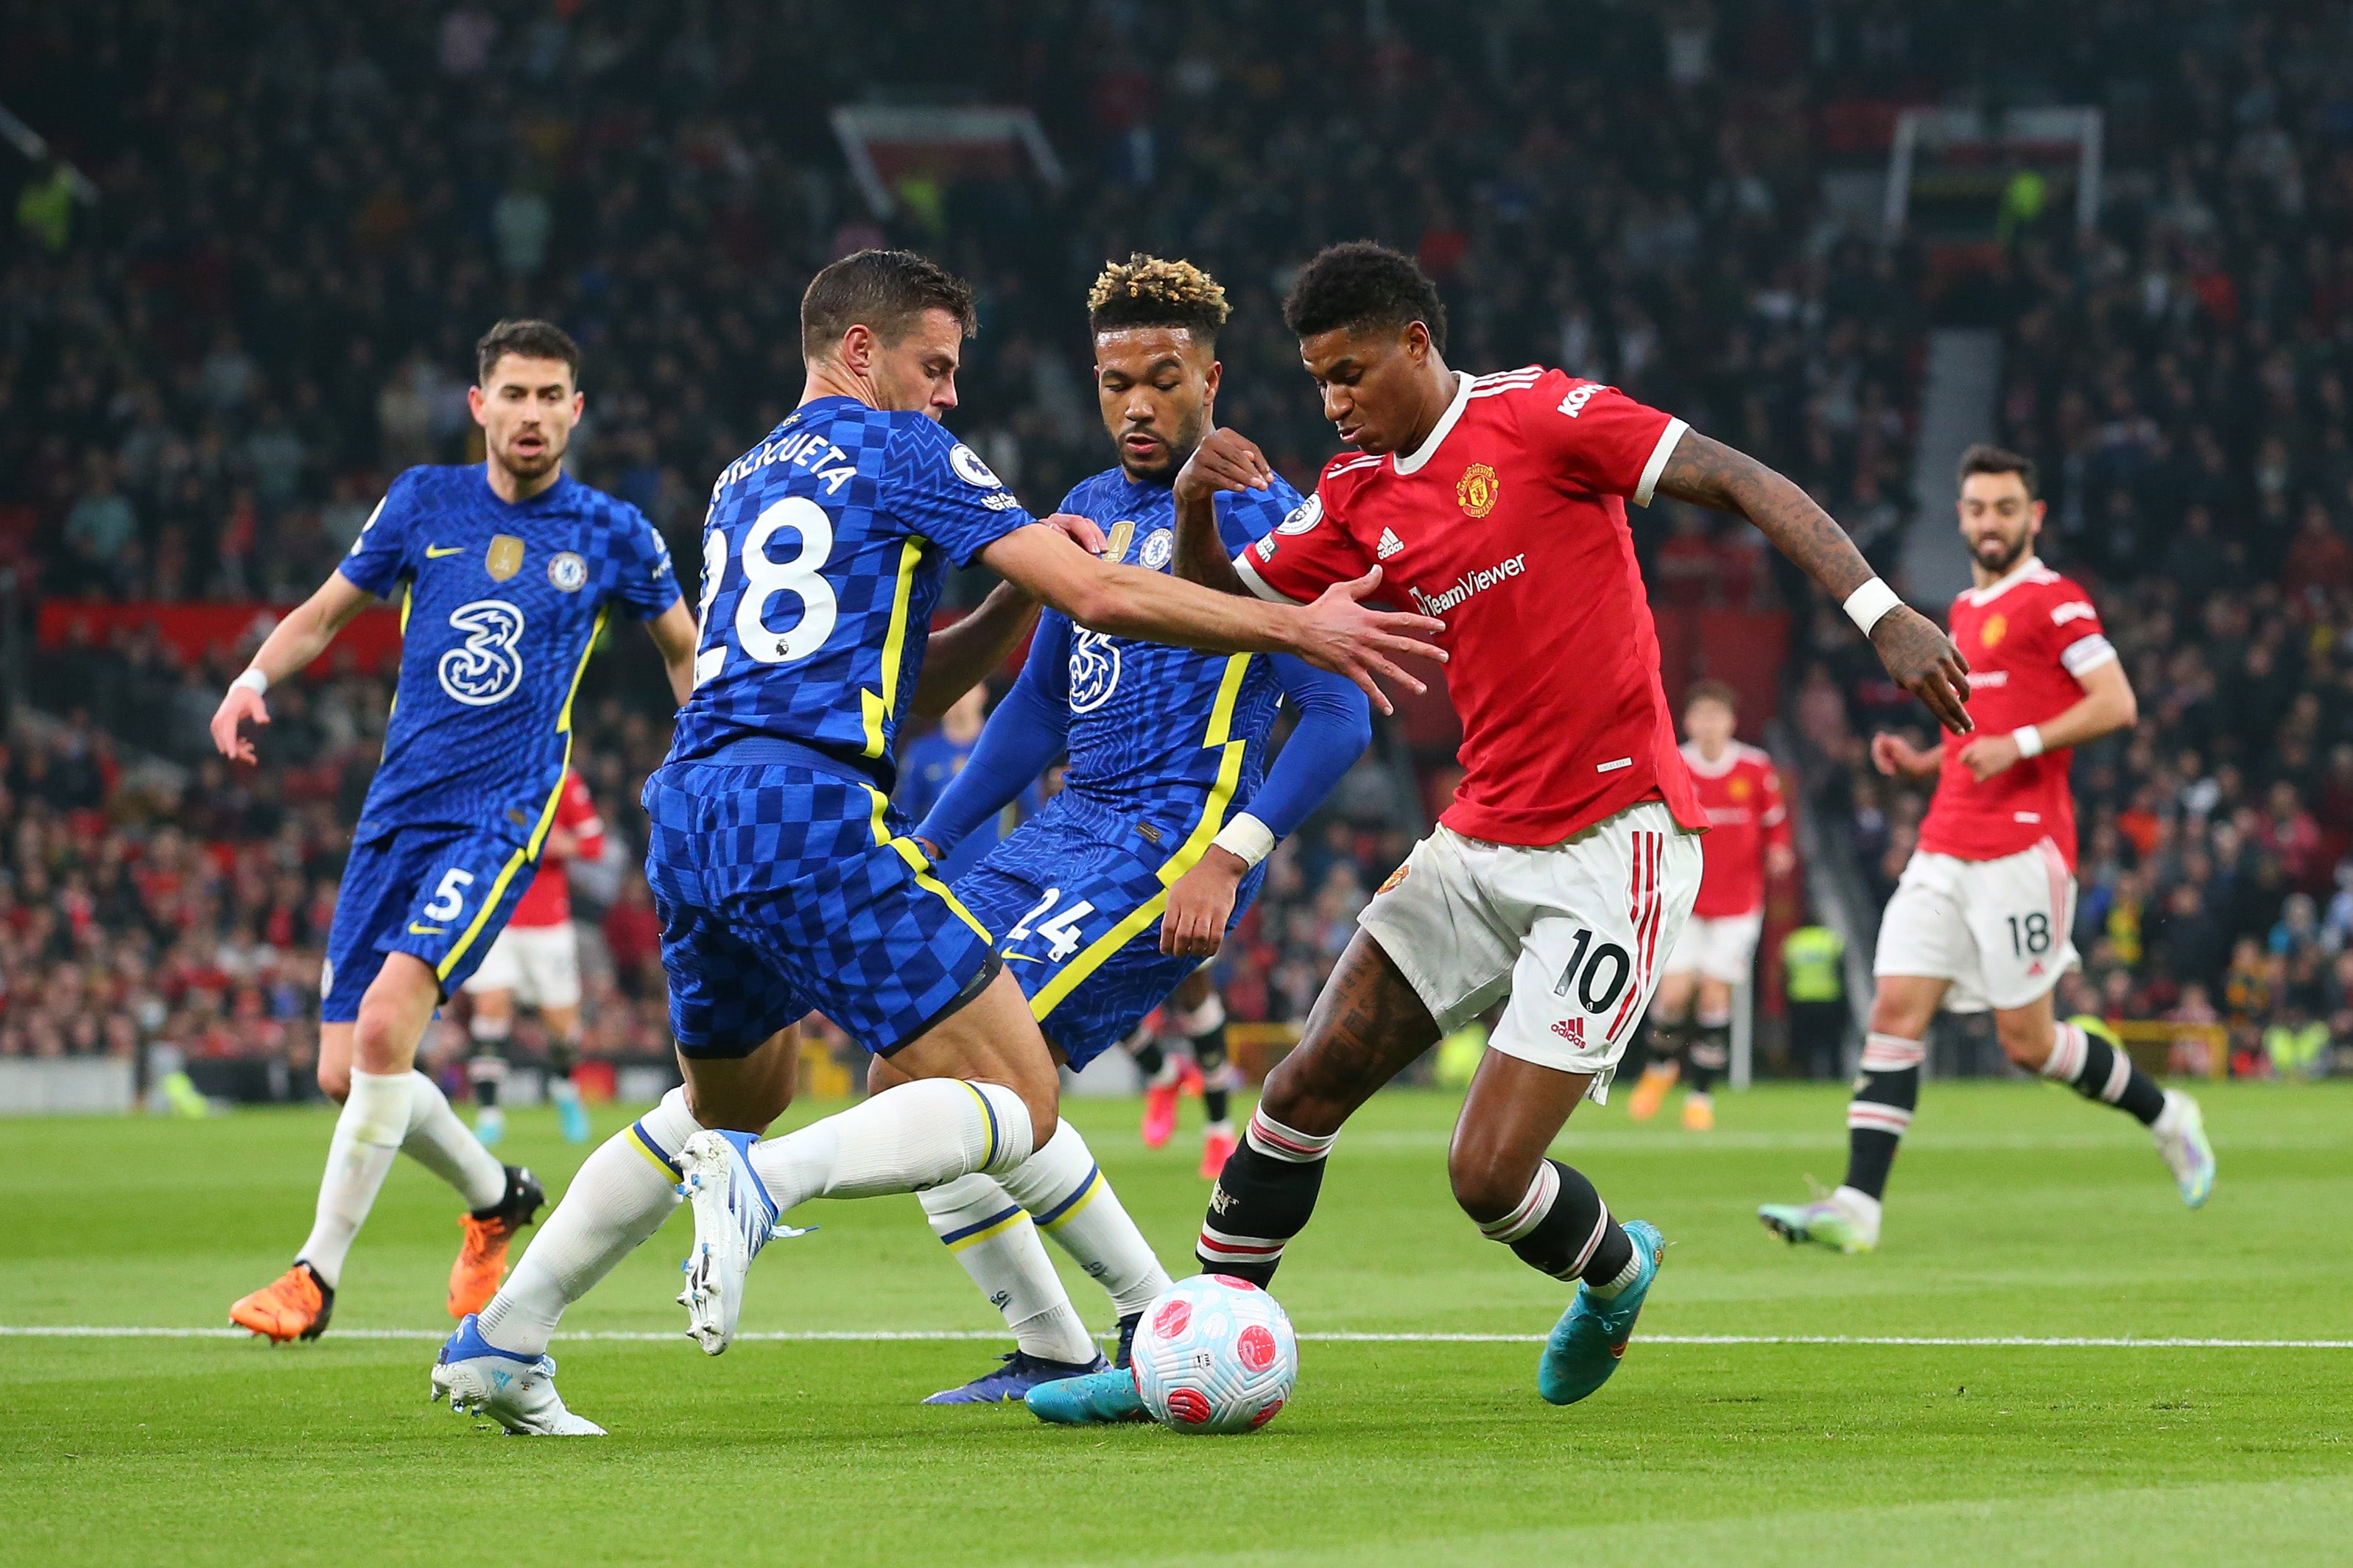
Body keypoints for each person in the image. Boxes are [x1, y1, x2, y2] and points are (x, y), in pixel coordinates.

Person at [432, 248, 1443, 1435]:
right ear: (861, 353)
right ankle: (1084, 1301)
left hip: (698, 805)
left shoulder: (744, 473)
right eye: (935, 365)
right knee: (1001, 1084)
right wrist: (1295, 625)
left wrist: (1013, 676)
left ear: (1209, 379)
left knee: (728, 1101)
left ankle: (502, 1339)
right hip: (810, 806)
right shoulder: (905, 448)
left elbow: (910, 685)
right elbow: (1093, 616)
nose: (950, 393)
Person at [1036, 241, 1972, 1423]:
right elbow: (1218, 618)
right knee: (1297, 1090)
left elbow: (1740, 480)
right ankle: (1175, 1356)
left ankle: (1615, 1275)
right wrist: (1189, 510)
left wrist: (1879, 615)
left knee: (1484, 1176)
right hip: (1477, 839)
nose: (1331, 403)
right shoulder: (1354, 495)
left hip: (1612, 842)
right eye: (1316, 379)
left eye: (1349, 373)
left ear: (1415, 346)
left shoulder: (1542, 418)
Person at [901, 254, 1372, 1405]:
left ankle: (1144, 1324)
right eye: (1116, 382)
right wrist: (931, 837)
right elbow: (1039, 708)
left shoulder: (1261, 517)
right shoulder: (1089, 508)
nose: (1137, 406)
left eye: (1163, 380)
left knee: (982, 1077)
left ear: (1211, 379)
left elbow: (1335, 710)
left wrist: (1228, 855)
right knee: (902, 1053)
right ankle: (1062, 1345)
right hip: (1061, 831)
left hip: (1163, 845)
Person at [219, 320, 699, 1344]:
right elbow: (321, 613)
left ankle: (314, 1277)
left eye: (551, 395)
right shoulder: (420, 503)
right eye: (513, 394)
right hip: (397, 811)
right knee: (346, 1073)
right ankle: (496, 1197)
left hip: (503, 811)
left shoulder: (612, 531)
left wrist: (708, 759)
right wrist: (253, 679)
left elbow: (684, 652)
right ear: (478, 405)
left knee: (393, 1025)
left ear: (577, 409)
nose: (532, 413)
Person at [1759, 445, 2214, 1255]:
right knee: (1897, 1012)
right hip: (1943, 844)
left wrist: (2026, 742)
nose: (1989, 522)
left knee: (2029, 1043)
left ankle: (2168, 1113)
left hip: (2022, 849)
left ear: (2033, 516)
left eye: (2006, 508)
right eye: (1976, 508)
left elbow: (2117, 702)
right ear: (1962, 515)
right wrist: (1920, 765)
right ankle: (1859, 1202)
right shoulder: (1964, 609)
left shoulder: (2057, 600)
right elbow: (1979, 736)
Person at [1625, 680, 1793, 1130]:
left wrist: (1779, 850)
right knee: (1674, 994)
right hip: (1683, 900)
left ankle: (1701, 1095)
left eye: (1717, 717)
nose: (1709, 725)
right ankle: (1660, 1068)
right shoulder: (1674, 764)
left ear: (1731, 722)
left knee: (1716, 996)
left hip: (1739, 904)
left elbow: (1775, 823)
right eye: (1701, 716)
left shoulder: (1756, 768)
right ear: (1688, 722)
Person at [461, 765, 604, 1147]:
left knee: (561, 1026)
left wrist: (558, 845)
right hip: (495, 916)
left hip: (548, 925)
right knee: (490, 1006)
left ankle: (564, 1091)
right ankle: (489, 1114)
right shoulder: (488, 777)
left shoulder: (563, 779)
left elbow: (594, 843)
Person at [895, 684, 1038, 883]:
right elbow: (906, 818)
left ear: (983, 693)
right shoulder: (921, 753)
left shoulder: (1007, 747)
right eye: (952, 690)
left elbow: (1034, 815)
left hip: (995, 879)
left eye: (968, 689)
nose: (960, 698)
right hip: (938, 880)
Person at [1782, 916, 1849, 1080]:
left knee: (1803, 1041)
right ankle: (1835, 1075)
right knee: (1832, 1042)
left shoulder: (1794, 941)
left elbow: (1784, 971)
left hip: (1800, 998)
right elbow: (1841, 968)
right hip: (1828, 997)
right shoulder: (1830, 939)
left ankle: (1804, 1075)